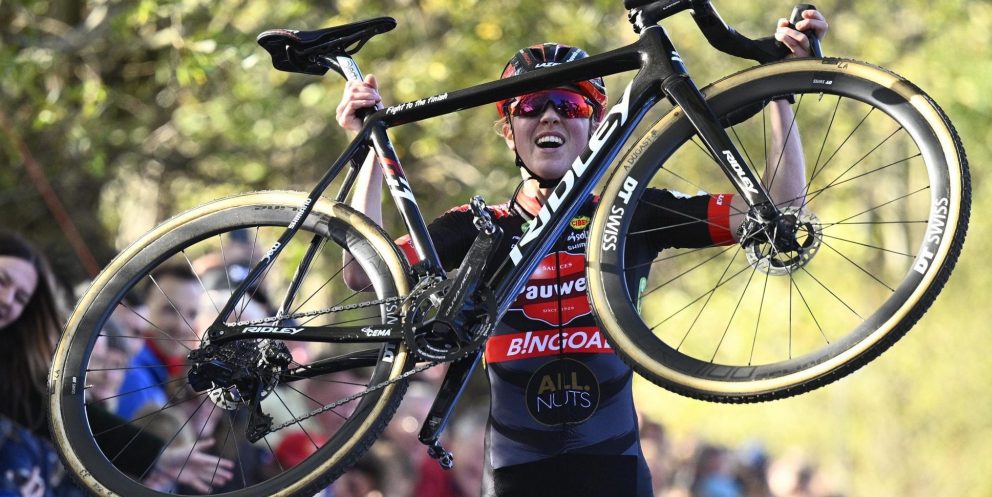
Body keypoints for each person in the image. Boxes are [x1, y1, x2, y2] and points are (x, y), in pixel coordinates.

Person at [336, 11, 828, 497]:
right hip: (515, 475)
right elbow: (362, 271)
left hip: (614, 470)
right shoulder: (478, 225)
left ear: (594, 126)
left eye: (570, 105)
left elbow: (779, 210)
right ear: (509, 131)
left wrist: (778, 92)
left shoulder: (628, 208)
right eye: (530, 106)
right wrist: (365, 154)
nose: (550, 115)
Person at [0, 231, 234, 495]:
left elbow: (58, 416)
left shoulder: (13, 375)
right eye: (2, 281)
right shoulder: (140, 373)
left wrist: (156, 457)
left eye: (20, 297)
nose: (7, 300)